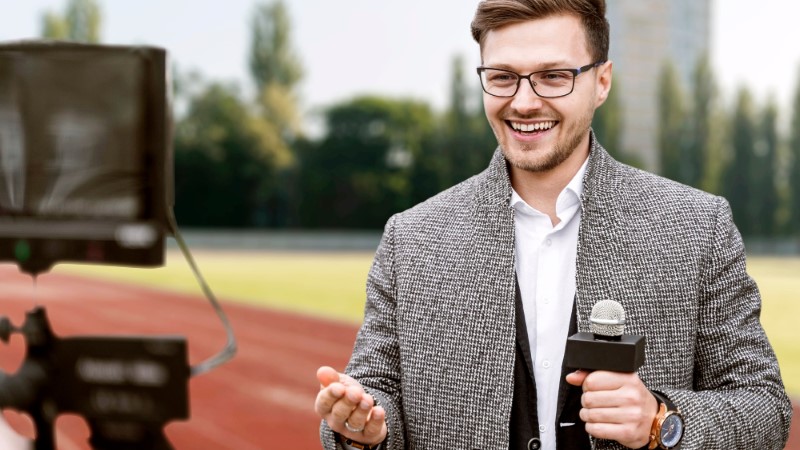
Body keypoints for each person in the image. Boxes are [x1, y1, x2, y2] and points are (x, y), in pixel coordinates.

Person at [313, 0, 793, 448]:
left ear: (602, 82)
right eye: (502, 77)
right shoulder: (411, 238)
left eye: (553, 75)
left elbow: (765, 407)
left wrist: (659, 419)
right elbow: (377, 399)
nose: (524, 102)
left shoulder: (696, 226)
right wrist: (364, 429)